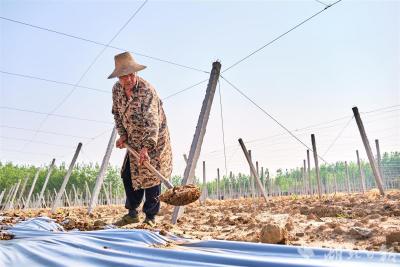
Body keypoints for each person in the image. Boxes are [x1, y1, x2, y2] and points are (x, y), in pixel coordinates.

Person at [109, 52, 172, 226]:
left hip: (154, 139)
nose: (127, 79)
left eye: (131, 74)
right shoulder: (116, 90)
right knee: (128, 175)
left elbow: (152, 121)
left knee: (151, 177)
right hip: (133, 141)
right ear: (118, 77)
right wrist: (123, 134)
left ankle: (150, 217)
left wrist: (147, 147)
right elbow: (117, 114)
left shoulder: (147, 91)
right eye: (123, 76)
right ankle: (132, 213)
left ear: (136, 73)